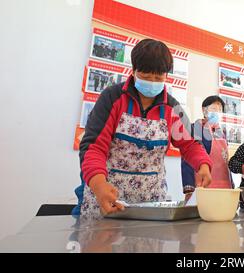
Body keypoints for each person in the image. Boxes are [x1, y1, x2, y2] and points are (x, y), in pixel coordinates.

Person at [72, 39, 212, 218]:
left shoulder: (171, 108)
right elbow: (93, 147)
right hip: (108, 197)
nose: (152, 82)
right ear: (133, 71)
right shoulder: (112, 98)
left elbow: (190, 144)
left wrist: (203, 165)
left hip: (151, 202)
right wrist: (99, 185)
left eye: (158, 78)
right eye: (146, 77)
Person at [181, 96, 234, 201]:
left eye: (220, 110)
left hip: (224, 186)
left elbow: (225, 162)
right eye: (214, 109)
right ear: (204, 110)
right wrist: (189, 187)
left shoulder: (221, 133)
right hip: (204, 185)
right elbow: (188, 156)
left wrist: (232, 185)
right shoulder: (196, 127)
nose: (217, 112)